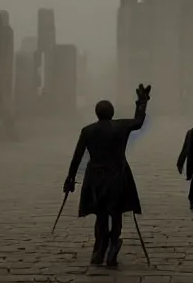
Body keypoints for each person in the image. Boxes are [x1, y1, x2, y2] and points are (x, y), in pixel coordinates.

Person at [63, 84, 151, 267]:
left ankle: (99, 247)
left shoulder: (87, 130)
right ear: (112, 112)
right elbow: (139, 121)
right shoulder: (121, 126)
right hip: (117, 174)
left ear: (97, 113)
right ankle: (113, 242)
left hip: (96, 176)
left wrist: (70, 178)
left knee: (101, 213)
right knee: (115, 211)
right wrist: (142, 101)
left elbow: (77, 157)